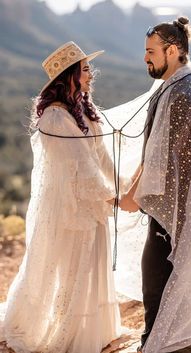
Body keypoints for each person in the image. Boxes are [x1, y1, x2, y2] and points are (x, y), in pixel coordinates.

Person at [0, 41, 128, 353]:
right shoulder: (55, 118)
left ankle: (92, 330)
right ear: (69, 76)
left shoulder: (84, 110)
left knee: (90, 264)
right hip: (68, 208)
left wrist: (122, 186)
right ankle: (61, 331)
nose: (91, 75)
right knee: (68, 267)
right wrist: (113, 198)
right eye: (85, 69)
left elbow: (100, 157)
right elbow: (81, 170)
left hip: (90, 202)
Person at [120, 17, 191, 353]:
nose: (145, 58)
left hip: (173, 214)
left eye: (151, 51)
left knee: (162, 285)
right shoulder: (176, 86)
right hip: (169, 210)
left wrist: (132, 196)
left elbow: (162, 163)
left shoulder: (183, 93)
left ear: (173, 51)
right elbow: (156, 149)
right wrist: (132, 188)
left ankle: (168, 346)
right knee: (161, 287)